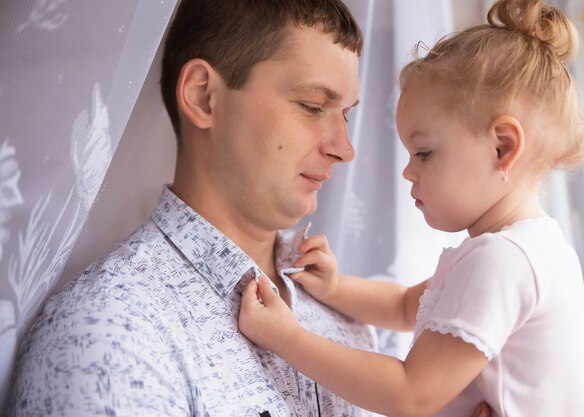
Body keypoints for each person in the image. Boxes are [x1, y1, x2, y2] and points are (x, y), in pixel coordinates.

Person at [238, 0, 584, 416]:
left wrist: (285, 336)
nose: (408, 173)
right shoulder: (535, 247)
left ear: (502, 147)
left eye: (425, 153)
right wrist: (335, 288)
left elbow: (410, 395)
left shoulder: (503, 261)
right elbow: (403, 306)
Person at [9, 1, 377, 416]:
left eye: (346, 115)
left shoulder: (347, 314)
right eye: (312, 105)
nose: (344, 149)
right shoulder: (109, 334)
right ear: (203, 96)